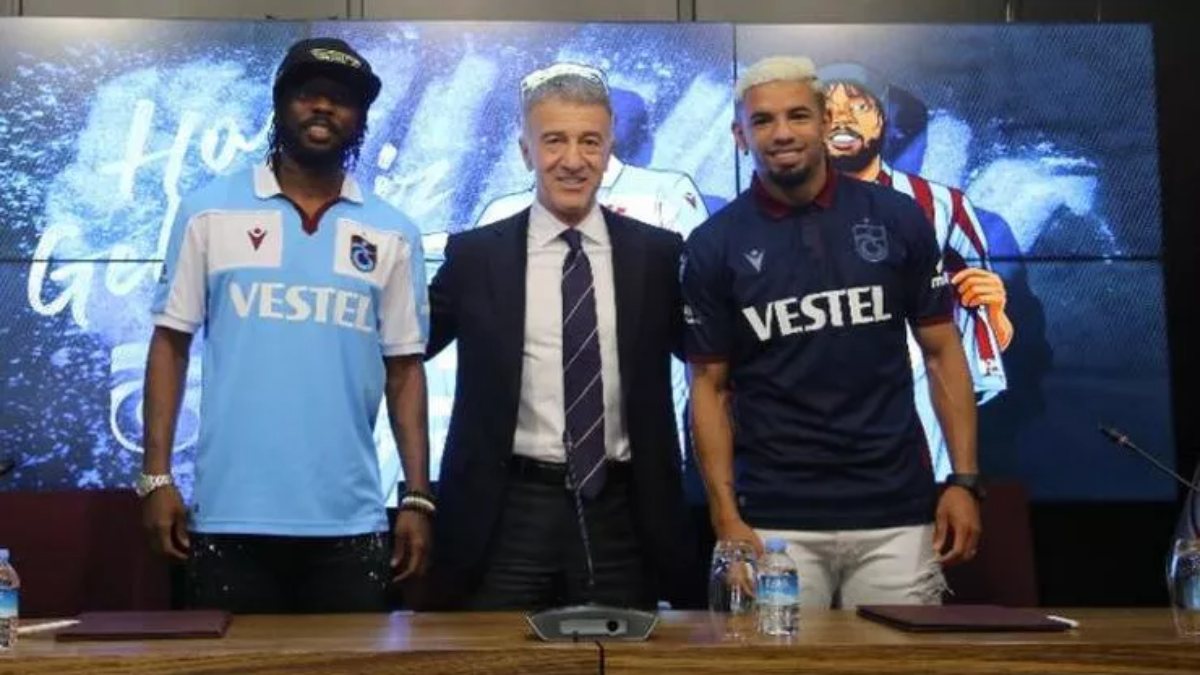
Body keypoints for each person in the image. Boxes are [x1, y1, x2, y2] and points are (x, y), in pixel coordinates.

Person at [139, 37, 432, 613]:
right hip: (227, 518)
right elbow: (169, 346)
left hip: (351, 523)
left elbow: (405, 371)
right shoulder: (208, 211)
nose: (323, 107)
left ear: (360, 119)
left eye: (341, 99)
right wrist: (156, 477)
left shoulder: (393, 232)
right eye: (308, 93)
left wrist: (418, 498)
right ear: (279, 104)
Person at [684, 56, 982, 609]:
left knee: (903, 657)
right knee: (778, 658)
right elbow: (709, 388)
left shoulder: (899, 217)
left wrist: (963, 482)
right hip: (774, 521)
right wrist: (726, 519)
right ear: (740, 137)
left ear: (824, 121)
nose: (782, 133)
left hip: (895, 513)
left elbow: (943, 353)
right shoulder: (712, 245)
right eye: (763, 121)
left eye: (798, 116)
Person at [427, 63, 690, 610]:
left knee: (624, 653)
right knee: (498, 652)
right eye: (554, 141)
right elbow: (404, 351)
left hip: (624, 510)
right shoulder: (475, 257)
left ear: (609, 150)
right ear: (526, 152)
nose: (573, 160)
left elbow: (713, 366)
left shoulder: (658, 255)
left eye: (590, 141)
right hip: (507, 511)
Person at [819, 62, 1010, 480]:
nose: (842, 119)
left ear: (883, 119)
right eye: (827, 109)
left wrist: (994, 313)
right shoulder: (776, 214)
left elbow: (987, 325)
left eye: (859, 105)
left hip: (919, 406)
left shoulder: (942, 205)